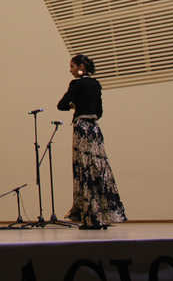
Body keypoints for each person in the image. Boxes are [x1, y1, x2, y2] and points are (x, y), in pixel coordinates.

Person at [57, 53, 126, 229]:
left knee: (85, 170)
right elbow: (99, 111)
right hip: (95, 130)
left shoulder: (76, 84)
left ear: (81, 67)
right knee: (99, 170)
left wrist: (74, 105)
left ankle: (90, 217)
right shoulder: (95, 84)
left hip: (82, 130)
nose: (70, 70)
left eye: (72, 66)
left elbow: (61, 105)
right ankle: (103, 215)